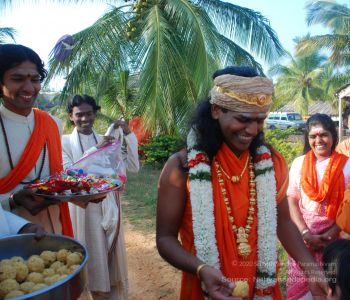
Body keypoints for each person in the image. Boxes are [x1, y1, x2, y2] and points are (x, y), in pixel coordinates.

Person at [156, 66, 328, 300]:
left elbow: (284, 222)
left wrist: (311, 270)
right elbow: (165, 238)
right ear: (217, 110)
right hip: (205, 287)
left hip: (262, 288)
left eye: (260, 120)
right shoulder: (182, 167)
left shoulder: (270, 163)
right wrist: (201, 269)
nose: (253, 130)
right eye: (243, 119)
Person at [61, 94, 139, 300]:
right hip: (82, 209)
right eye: (79, 115)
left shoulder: (109, 141)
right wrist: (97, 149)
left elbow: (132, 166)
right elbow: (70, 173)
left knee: (109, 258)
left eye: (89, 114)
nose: (85, 119)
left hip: (108, 206)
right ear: (71, 116)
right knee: (90, 253)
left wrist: (128, 134)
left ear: (95, 114)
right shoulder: (64, 143)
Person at [0, 44, 73, 236]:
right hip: (9, 235)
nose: (29, 88)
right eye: (17, 79)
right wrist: (13, 200)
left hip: (55, 228)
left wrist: (84, 194)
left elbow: (57, 178)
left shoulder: (53, 124)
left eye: (35, 79)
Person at [287, 113, 350, 300]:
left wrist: (330, 234)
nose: (318, 140)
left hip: (335, 245)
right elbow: (291, 200)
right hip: (303, 242)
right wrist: (306, 233)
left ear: (333, 136)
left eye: (323, 135)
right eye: (313, 136)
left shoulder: (347, 165)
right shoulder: (299, 164)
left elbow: (348, 207)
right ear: (308, 139)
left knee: (331, 290)